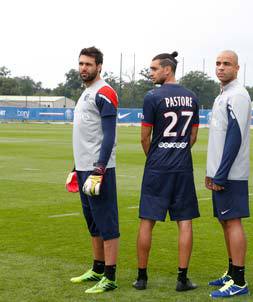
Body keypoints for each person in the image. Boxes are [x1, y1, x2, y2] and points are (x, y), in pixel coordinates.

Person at [132, 51, 200, 292]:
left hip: (157, 168)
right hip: (182, 166)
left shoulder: (152, 97)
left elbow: (144, 137)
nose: (150, 73)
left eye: (153, 69)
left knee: (147, 221)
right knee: (184, 222)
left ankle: (142, 278)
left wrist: (156, 157)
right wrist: (178, 150)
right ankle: (182, 279)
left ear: (167, 70)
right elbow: (193, 136)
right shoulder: (192, 97)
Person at [69, 46, 120, 294]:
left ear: (99, 66)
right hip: (83, 168)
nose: (83, 68)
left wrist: (100, 167)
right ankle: (97, 269)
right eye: (80, 64)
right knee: (93, 223)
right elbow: (85, 135)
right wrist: (75, 167)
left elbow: (109, 135)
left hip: (100, 169)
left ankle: (110, 277)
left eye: (88, 64)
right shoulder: (86, 92)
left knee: (107, 223)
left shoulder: (105, 92)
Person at [206, 50, 252, 298]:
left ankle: (240, 280)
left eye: (226, 64)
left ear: (237, 68)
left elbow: (235, 138)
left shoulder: (238, 95)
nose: (221, 67)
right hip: (220, 172)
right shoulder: (223, 95)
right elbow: (219, 137)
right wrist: (211, 172)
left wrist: (221, 174)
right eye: (218, 63)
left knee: (233, 221)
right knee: (225, 221)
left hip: (231, 174)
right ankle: (232, 271)